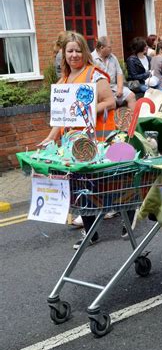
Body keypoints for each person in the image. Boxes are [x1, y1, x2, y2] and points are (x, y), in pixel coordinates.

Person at [38, 32, 118, 249]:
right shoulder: (63, 81)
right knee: (80, 186)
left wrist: (86, 110)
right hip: (71, 144)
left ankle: (124, 217)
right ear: (64, 54)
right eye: (70, 51)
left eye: (78, 50)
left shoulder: (94, 75)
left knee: (100, 186)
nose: (74, 55)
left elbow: (111, 102)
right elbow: (61, 119)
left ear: (85, 52)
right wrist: (49, 139)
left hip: (95, 142)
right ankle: (91, 232)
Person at [92, 36, 137, 110]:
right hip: (99, 90)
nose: (111, 49)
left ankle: (133, 120)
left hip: (113, 87)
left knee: (131, 96)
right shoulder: (91, 59)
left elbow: (119, 73)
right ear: (102, 48)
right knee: (109, 103)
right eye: (109, 47)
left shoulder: (113, 57)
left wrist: (119, 88)